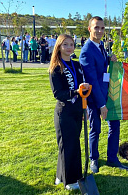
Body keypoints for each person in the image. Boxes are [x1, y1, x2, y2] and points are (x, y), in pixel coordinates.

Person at [79, 16, 128, 173]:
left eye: (102, 28)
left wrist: (109, 59)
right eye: (96, 28)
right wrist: (102, 105)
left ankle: (112, 159)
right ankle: (94, 159)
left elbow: (100, 64)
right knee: (96, 129)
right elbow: (92, 79)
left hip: (108, 94)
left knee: (115, 126)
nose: (99, 31)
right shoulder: (86, 51)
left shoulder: (100, 46)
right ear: (90, 29)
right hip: (95, 99)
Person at [49, 34, 90, 190]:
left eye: (71, 44)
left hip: (76, 110)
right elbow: (58, 93)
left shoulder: (77, 65)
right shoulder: (55, 67)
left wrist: (83, 110)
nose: (69, 47)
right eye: (65, 44)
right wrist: (75, 92)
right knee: (68, 145)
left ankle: (61, 176)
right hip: (64, 112)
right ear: (58, 47)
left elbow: (82, 89)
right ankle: (70, 181)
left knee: (72, 144)